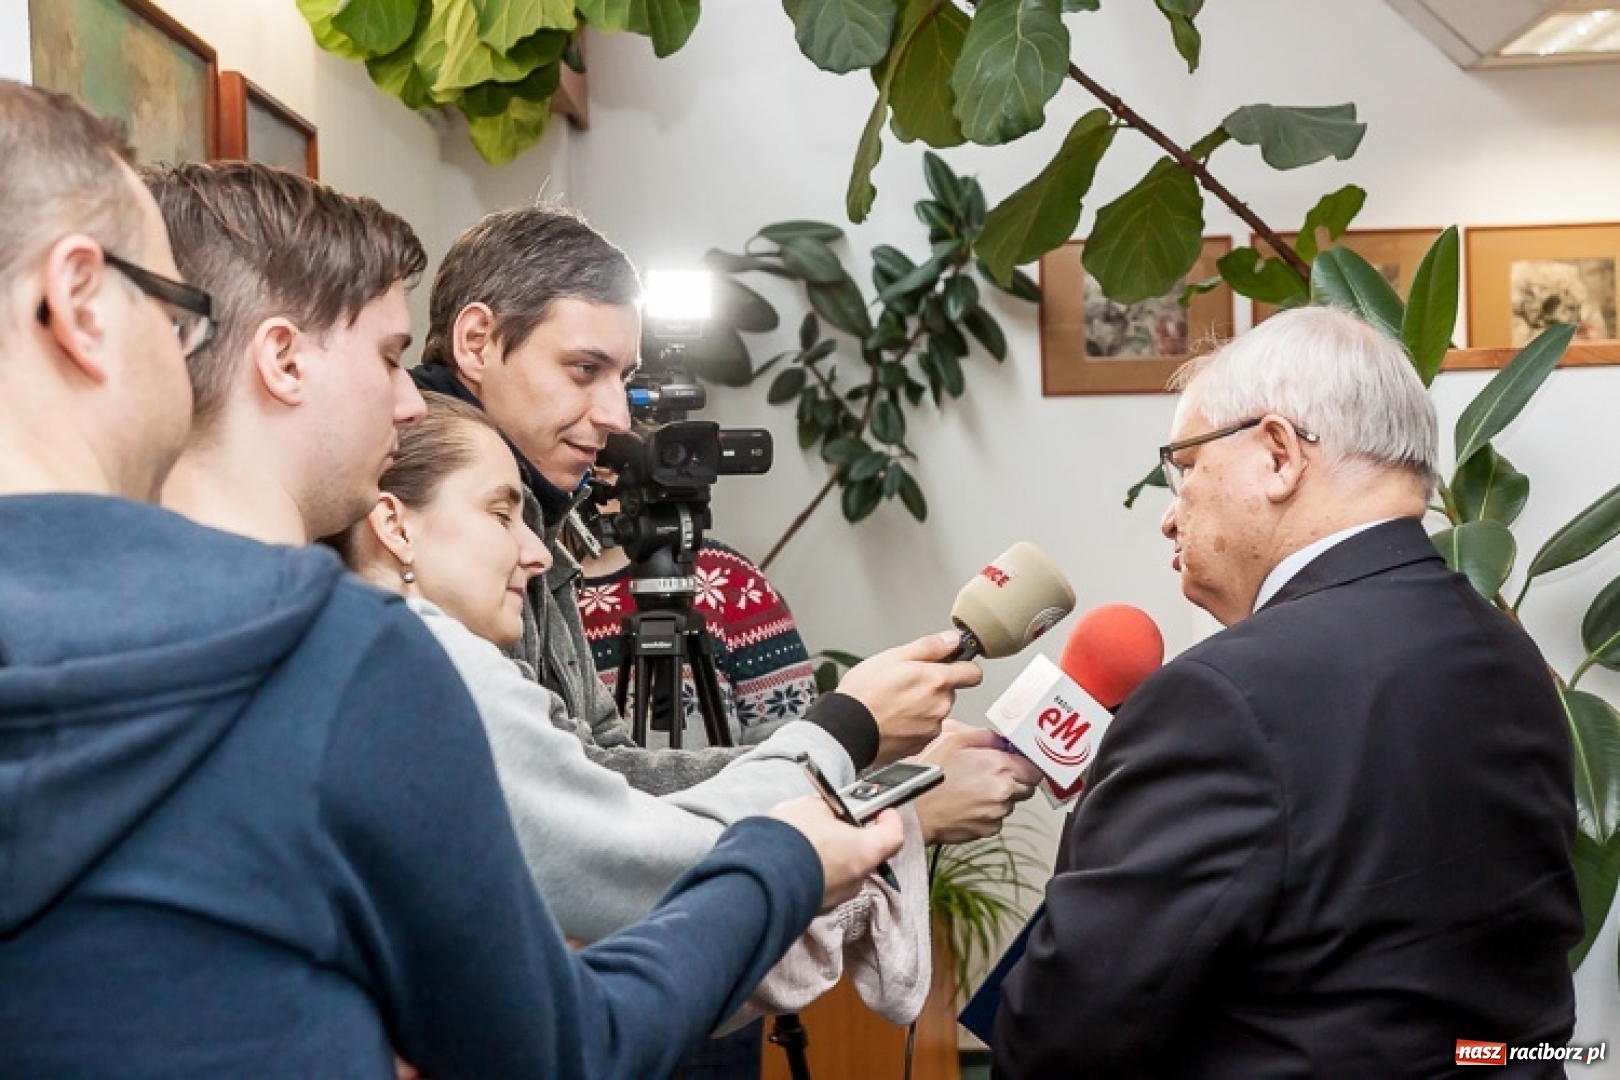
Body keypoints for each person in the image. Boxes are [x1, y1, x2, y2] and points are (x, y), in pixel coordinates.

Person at [0, 109, 898, 1078]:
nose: (407, 399)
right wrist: (785, 859)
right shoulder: (345, 659)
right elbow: (560, 1048)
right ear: (80, 303)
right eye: (169, 307)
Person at [994, 306, 1583, 1077]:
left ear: (1277, 454)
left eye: (1186, 467)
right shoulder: (1513, 654)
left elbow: (1063, 1040)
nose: (1172, 517)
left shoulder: (1216, 700)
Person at [416, 204, 981, 795]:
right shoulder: (431, 505)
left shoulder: (537, 508)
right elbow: (559, 799)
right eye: (584, 369)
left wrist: (837, 756)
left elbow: (603, 768)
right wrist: (840, 741)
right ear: (477, 341)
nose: (616, 416)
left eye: (624, 377)